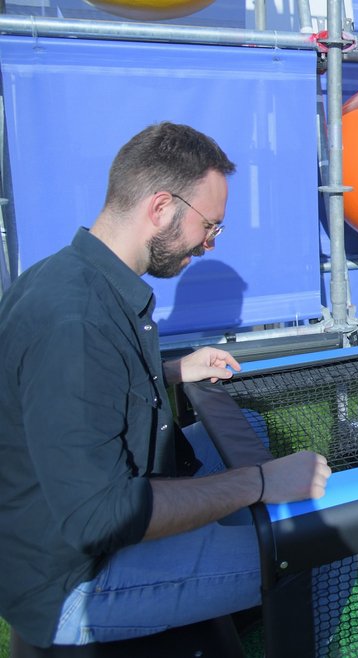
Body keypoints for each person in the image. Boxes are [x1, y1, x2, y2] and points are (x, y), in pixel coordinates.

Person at [0, 122, 333, 648]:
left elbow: (95, 382)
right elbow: (99, 517)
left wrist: (173, 370)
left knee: (245, 424)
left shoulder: (72, 276)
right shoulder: (74, 320)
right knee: (316, 549)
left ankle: (234, 600)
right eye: (210, 226)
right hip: (75, 581)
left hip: (73, 529)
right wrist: (260, 483)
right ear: (160, 208)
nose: (208, 244)